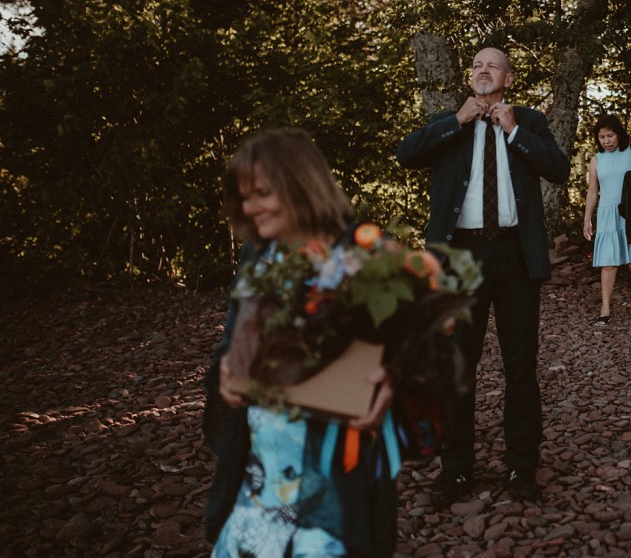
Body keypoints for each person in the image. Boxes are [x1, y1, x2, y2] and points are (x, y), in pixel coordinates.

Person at [206, 129, 399, 556]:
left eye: (261, 193)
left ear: (300, 184)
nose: (250, 207)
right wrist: (225, 371)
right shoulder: (258, 256)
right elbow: (234, 339)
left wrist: (396, 376)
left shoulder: (366, 254)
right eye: (244, 196)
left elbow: (419, 346)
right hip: (261, 471)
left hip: (333, 476)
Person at [395, 46, 570, 504]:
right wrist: (457, 120)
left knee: (520, 365)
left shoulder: (528, 121)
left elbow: (559, 167)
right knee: (458, 366)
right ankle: (455, 471)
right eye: (476, 65)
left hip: (514, 255)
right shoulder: (447, 121)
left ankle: (521, 468)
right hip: (461, 257)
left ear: (508, 78)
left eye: (492, 65)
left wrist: (513, 132)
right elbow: (405, 155)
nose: (483, 71)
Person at [582, 114, 631, 326]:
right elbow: (592, 191)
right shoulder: (596, 160)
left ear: (618, 134)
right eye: (602, 137)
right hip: (608, 214)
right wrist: (587, 220)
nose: (606, 141)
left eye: (610, 135)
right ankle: (605, 310)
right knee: (608, 263)